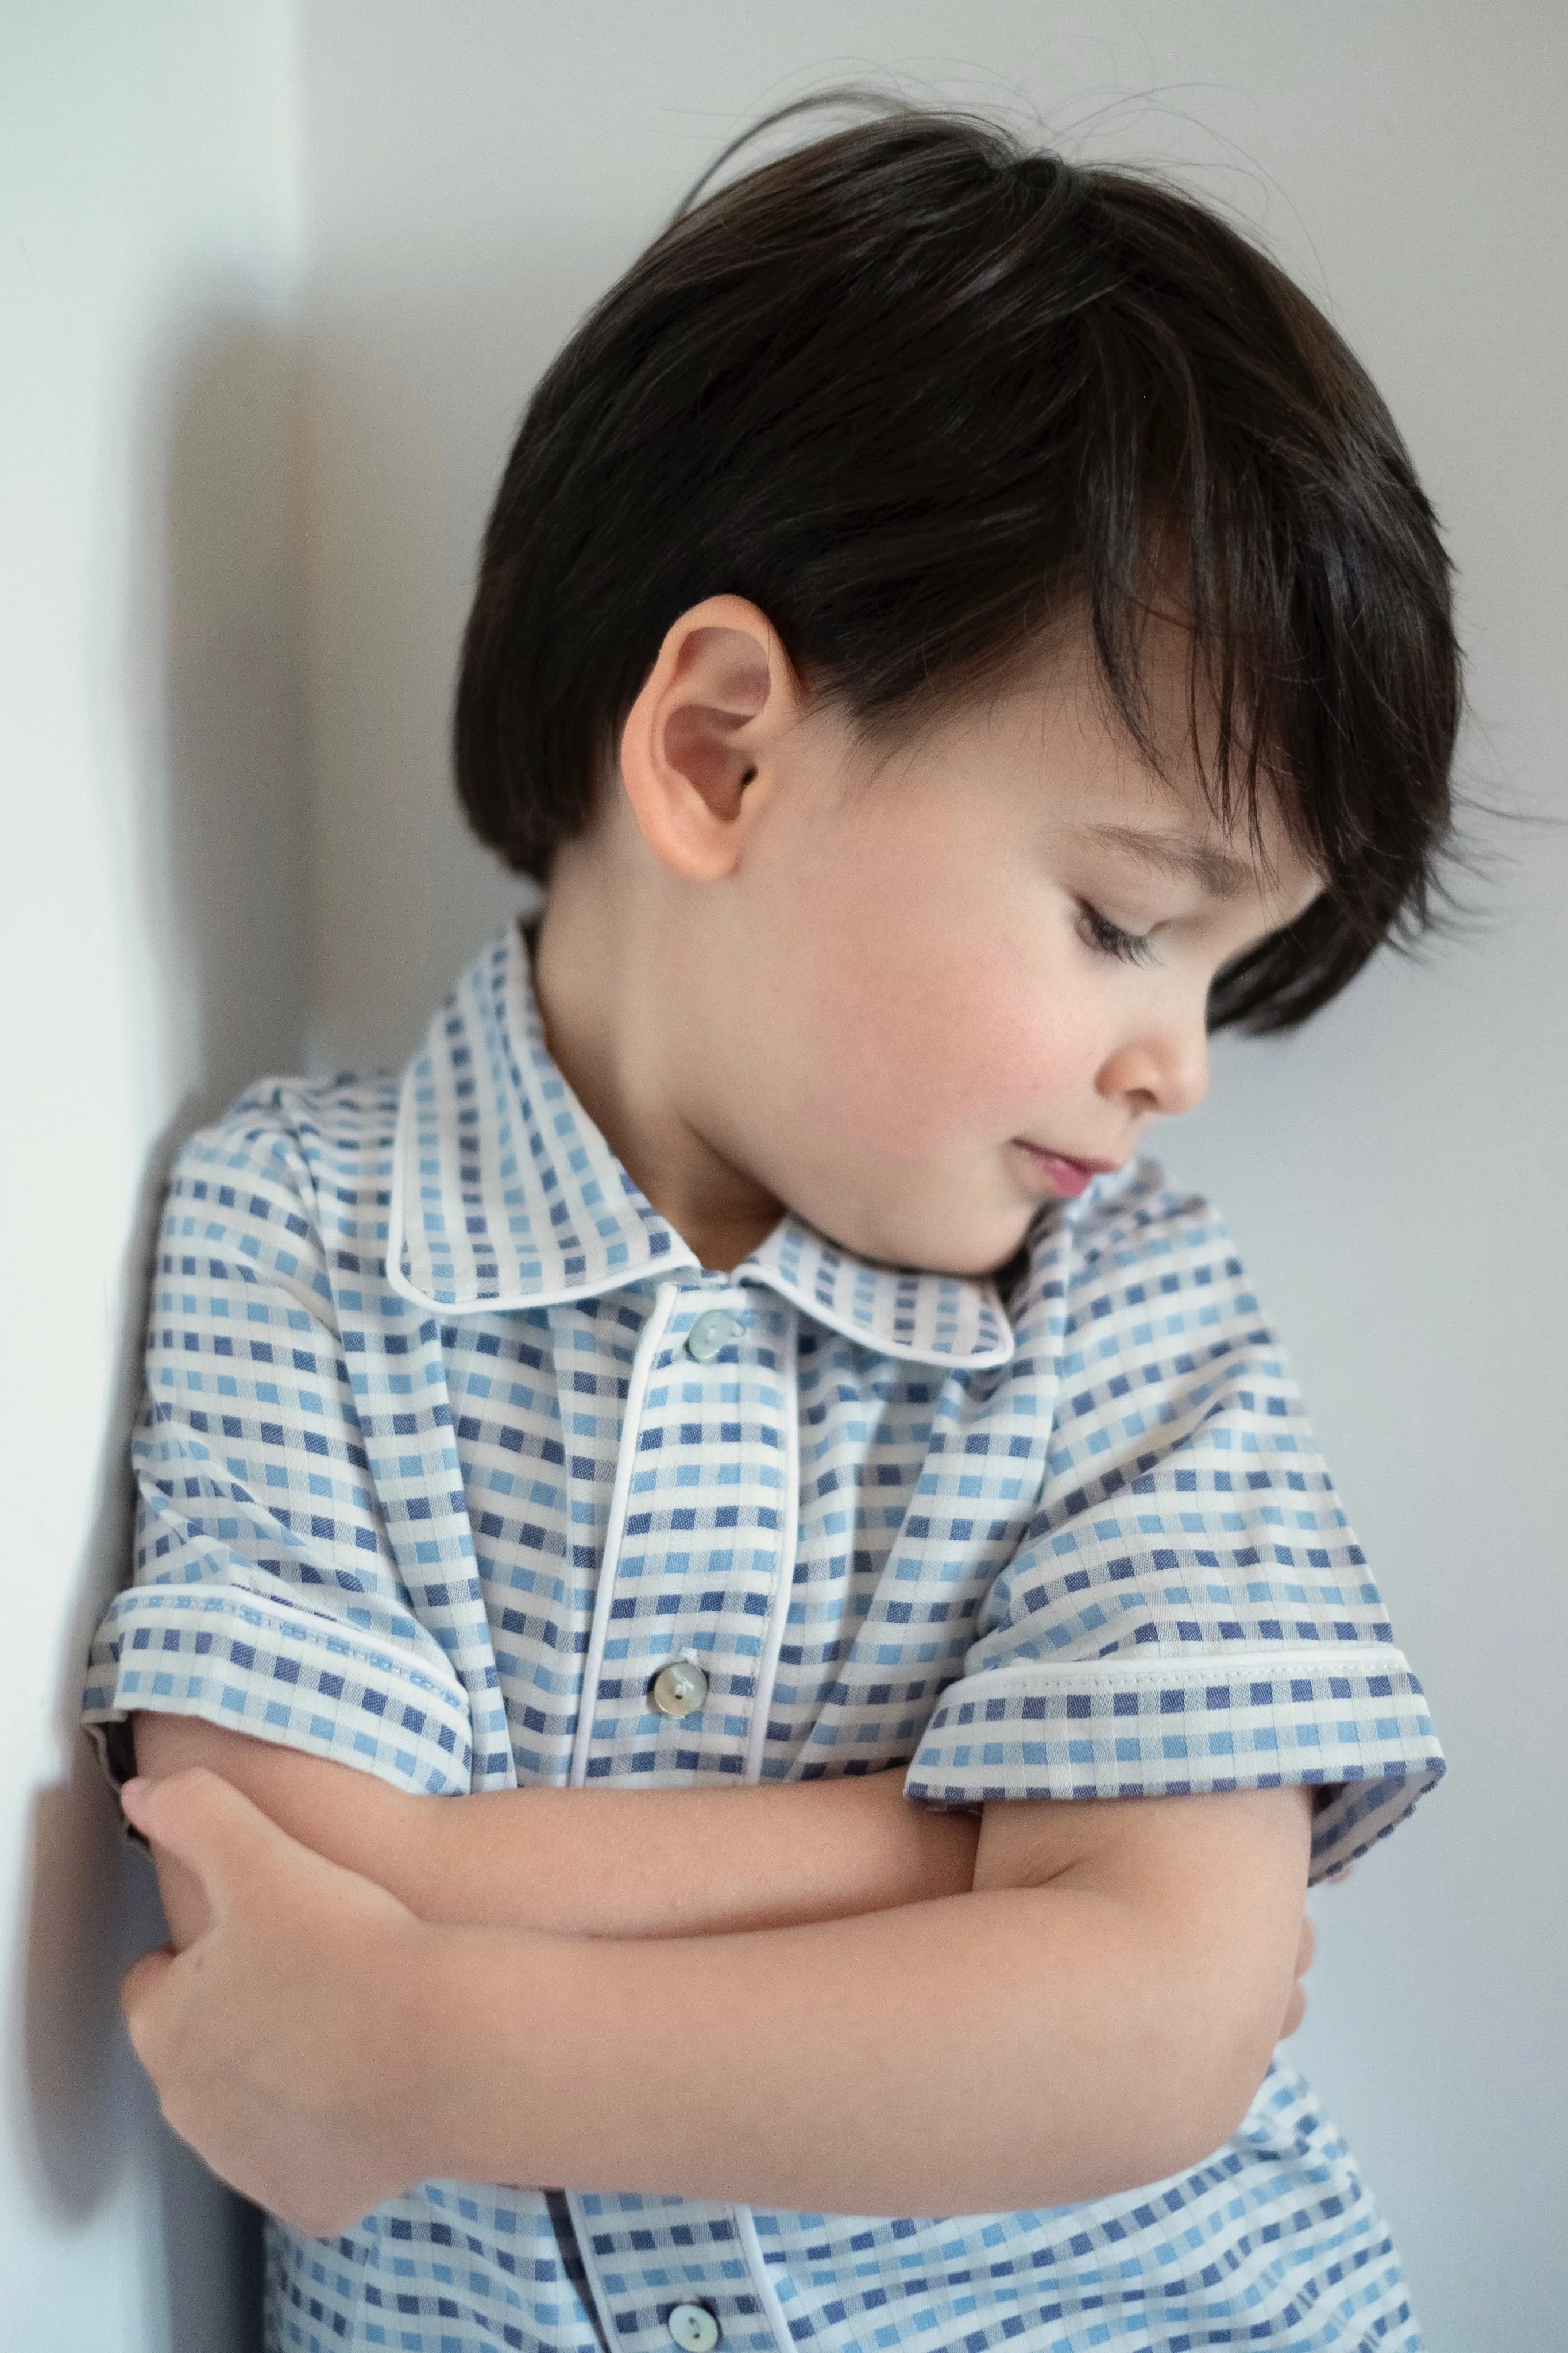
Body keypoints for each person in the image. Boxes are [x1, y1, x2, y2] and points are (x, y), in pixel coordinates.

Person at [86, 95, 1457, 2353]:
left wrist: (430, 2020)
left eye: (1226, 973)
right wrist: (965, 1853)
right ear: (721, 750)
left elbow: (1162, 2017)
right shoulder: (300, 1230)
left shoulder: (1132, 1314)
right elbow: (275, 1904)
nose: (1178, 1063)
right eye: (1126, 920)